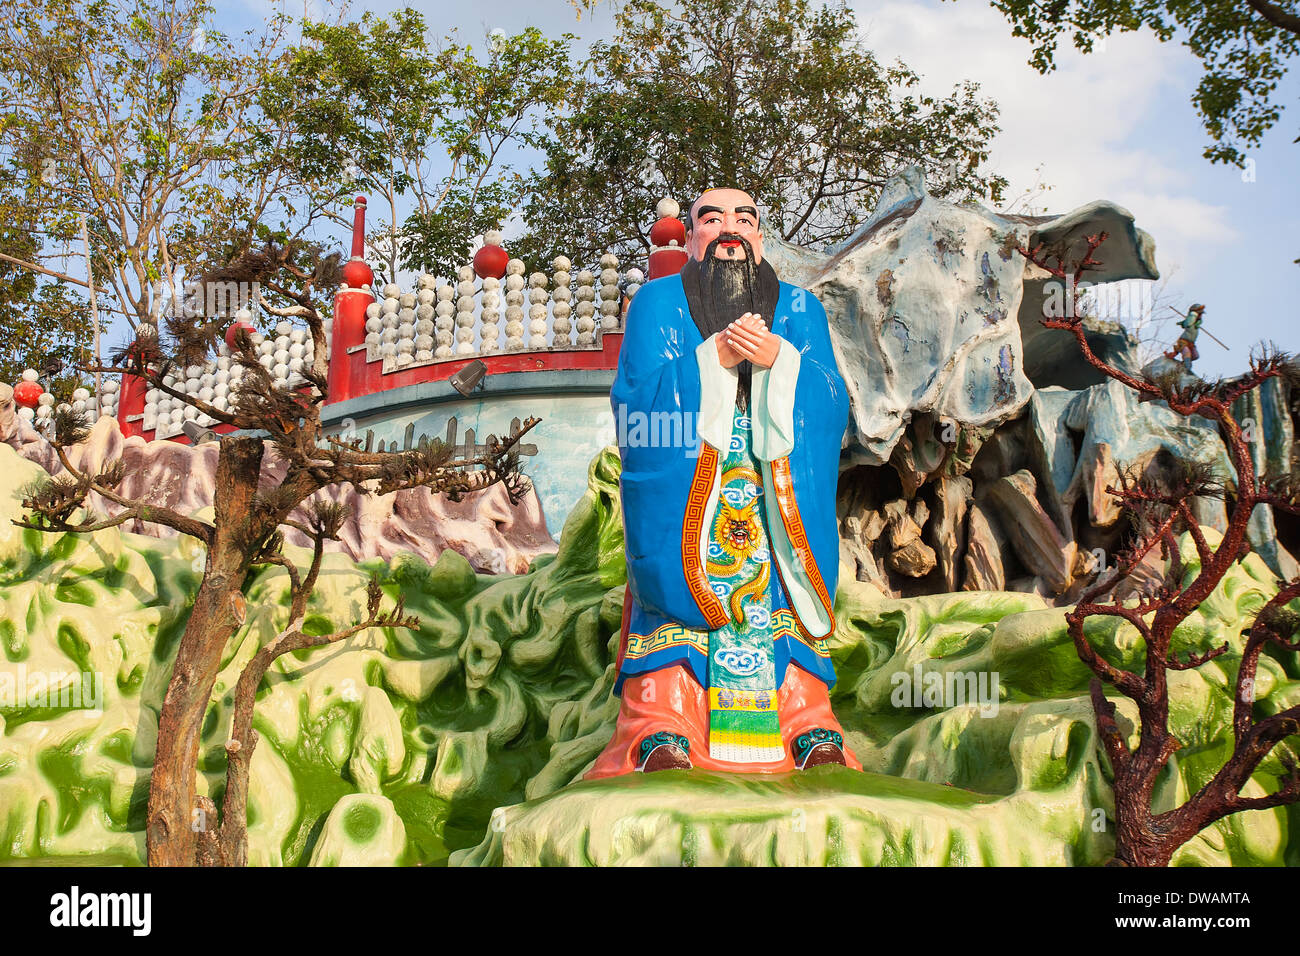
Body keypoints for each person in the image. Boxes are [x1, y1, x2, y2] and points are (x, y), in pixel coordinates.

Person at [586, 187, 861, 777]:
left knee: (779, 601)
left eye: (745, 218)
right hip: (691, 489)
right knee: (676, 615)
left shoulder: (799, 308)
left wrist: (777, 362)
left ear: (761, 238)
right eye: (712, 219)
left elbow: (832, 399)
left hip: (772, 492)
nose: (729, 228)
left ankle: (806, 724)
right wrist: (710, 359)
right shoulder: (658, 302)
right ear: (690, 239)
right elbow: (637, 400)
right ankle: (662, 728)